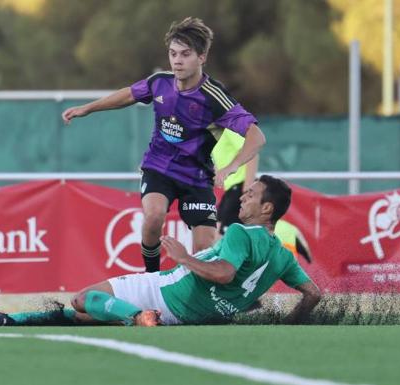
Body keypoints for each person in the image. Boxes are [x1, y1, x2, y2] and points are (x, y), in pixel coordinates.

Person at [61, 17, 265, 272]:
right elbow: (128, 94)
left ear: (202, 57)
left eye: (185, 54)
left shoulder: (214, 97)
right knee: (154, 215)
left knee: (205, 249)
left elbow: (257, 136)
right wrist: (87, 108)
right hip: (158, 167)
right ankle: (152, 276)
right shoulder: (160, 82)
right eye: (173, 53)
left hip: (197, 177)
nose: (177, 60)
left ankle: (196, 301)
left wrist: (232, 167)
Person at [0, 175, 321, 327]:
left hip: (164, 291)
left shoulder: (242, 232)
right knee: (87, 317)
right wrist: (290, 323)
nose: (244, 197)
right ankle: (9, 319)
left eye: (252, 194)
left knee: (82, 300)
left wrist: (184, 257)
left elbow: (226, 273)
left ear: (267, 210)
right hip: (186, 315)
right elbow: (312, 294)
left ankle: (136, 317)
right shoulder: (282, 256)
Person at [212, 130, 312, 263]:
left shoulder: (226, 130)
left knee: (221, 239)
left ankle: (285, 232)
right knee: (218, 235)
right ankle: (285, 231)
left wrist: (247, 191)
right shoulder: (210, 133)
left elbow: (252, 155)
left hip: (239, 187)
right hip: (230, 189)